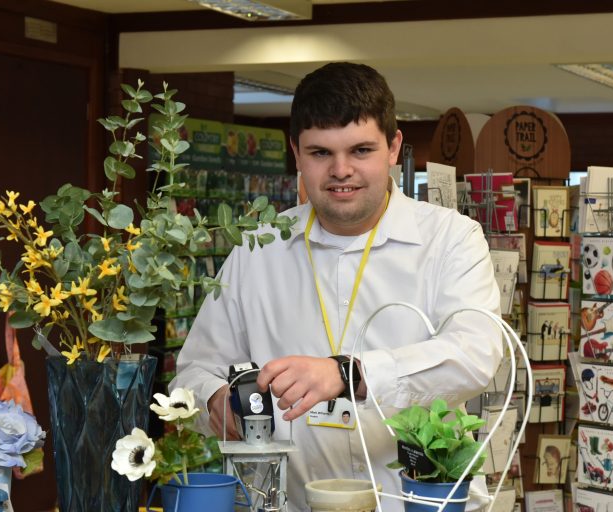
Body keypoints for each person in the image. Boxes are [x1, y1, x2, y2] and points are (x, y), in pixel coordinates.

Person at [172, 62, 502, 512]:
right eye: (321, 153)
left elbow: (475, 355)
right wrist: (214, 401)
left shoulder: (451, 239)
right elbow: (193, 371)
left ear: (394, 147)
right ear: (296, 152)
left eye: (361, 150)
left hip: (418, 504)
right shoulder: (257, 248)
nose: (341, 170)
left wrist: (349, 374)